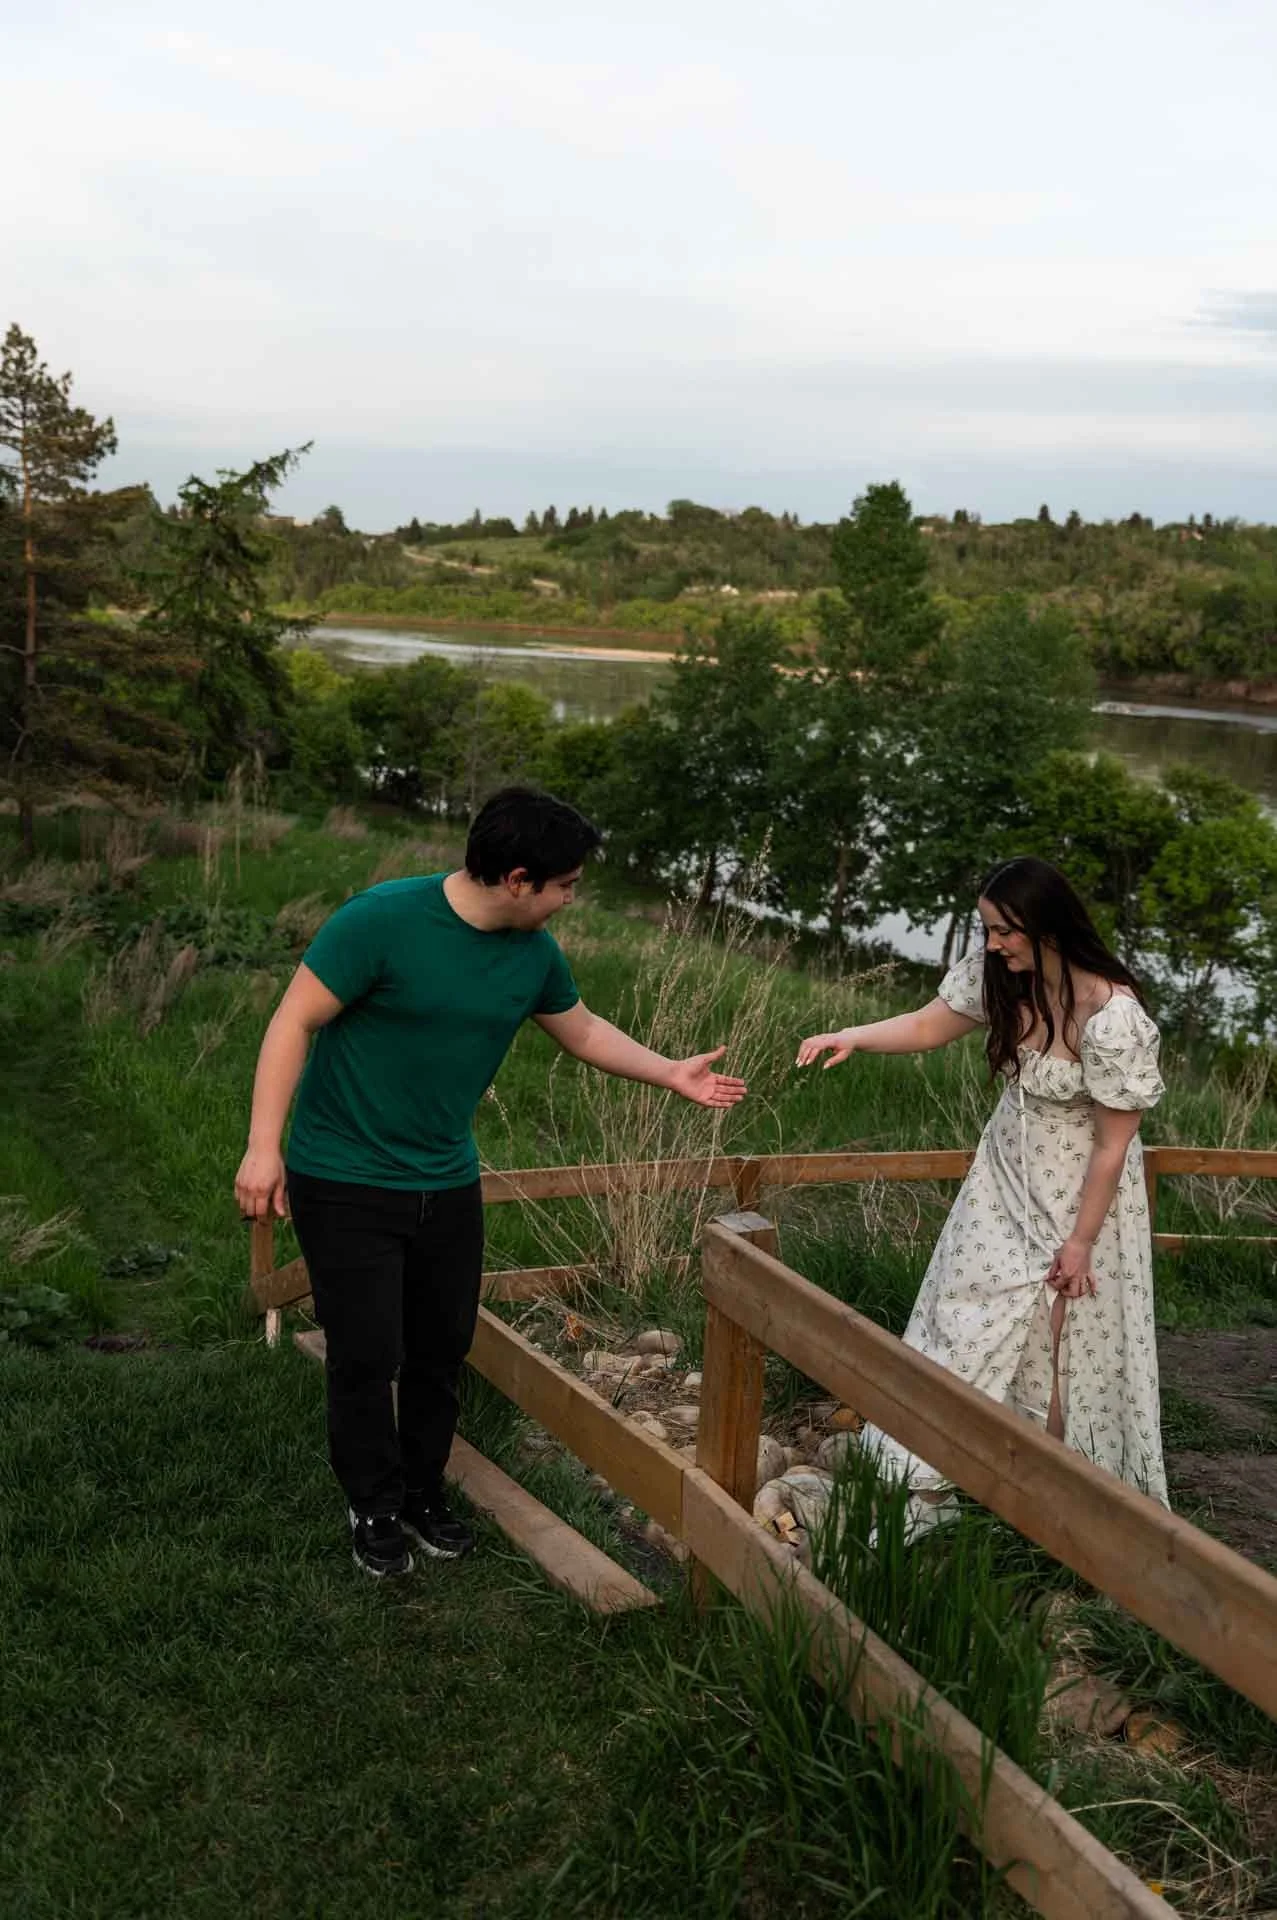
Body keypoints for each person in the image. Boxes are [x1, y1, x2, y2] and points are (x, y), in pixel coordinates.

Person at [234, 787, 746, 1579]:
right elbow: (291, 1020)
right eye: (566, 885)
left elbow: (579, 1030)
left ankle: (422, 1492)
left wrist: (669, 1072)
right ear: (517, 879)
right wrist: (263, 1148)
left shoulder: (532, 952)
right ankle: (372, 1503)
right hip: (344, 1176)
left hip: (445, 1177)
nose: (572, 898)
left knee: (440, 1350)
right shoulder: (380, 921)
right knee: (367, 1356)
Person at [796, 855, 1167, 1541]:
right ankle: (928, 1464)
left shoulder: (1111, 1017)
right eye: (987, 930)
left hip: (1081, 1193)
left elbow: (1113, 1147)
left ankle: (1049, 1493)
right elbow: (924, 1027)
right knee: (960, 1306)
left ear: (1049, 926)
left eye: (1004, 931)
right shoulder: (1001, 978)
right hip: (1003, 1176)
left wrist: (1080, 1242)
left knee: (1057, 1334)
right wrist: (850, 1035)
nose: (992, 944)